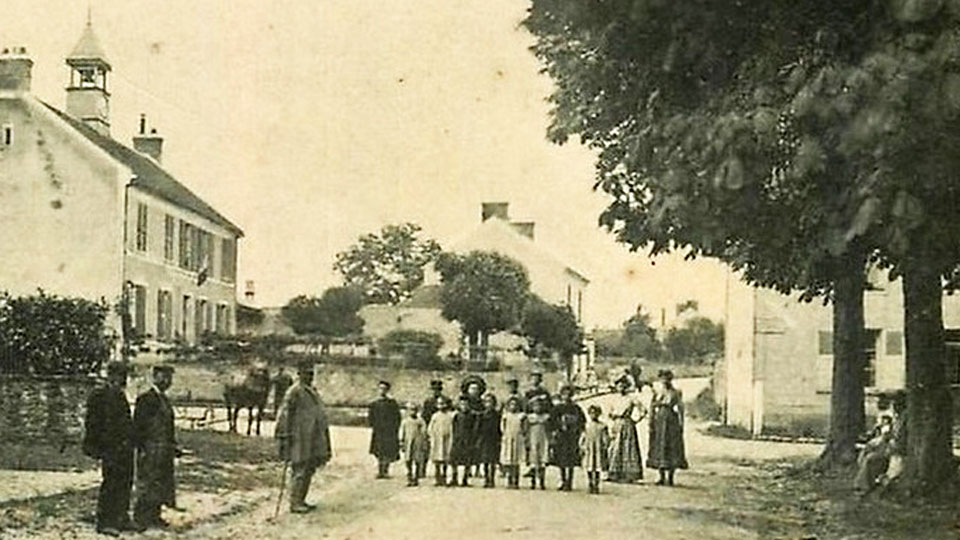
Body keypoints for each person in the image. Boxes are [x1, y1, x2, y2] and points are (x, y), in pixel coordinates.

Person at [83, 362, 134, 536]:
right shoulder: (99, 395)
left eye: (123, 376)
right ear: (111, 375)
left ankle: (122, 517)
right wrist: (95, 445)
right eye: (119, 376)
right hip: (110, 446)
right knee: (111, 482)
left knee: (125, 481)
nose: (121, 379)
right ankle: (105, 521)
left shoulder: (119, 395)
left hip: (124, 446)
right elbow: (92, 423)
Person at [276, 361, 332, 513]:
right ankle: (295, 503)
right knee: (299, 469)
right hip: (299, 437)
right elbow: (284, 414)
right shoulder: (294, 391)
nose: (310, 376)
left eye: (311, 373)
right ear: (299, 374)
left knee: (309, 469)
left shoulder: (311, 390)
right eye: (307, 373)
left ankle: (302, 500)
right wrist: (285, 434)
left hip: (313, 436)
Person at [132, 365, 180, 530]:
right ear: (155, 377)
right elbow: (138, 426)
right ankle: (141, 517)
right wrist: (142, 448)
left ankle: (155, 515)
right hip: (150, 447)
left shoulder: (164, 400)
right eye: (163, 377)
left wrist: (173, 445)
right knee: (147, 481)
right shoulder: (146, 399)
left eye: (169, 378)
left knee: (161, 482)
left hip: (164, 448)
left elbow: (168, 427)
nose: (166, 381)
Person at [648, 370, 688, 486]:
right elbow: (651, 407)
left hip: (671, 421)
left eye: (667, 379)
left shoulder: (676, 392)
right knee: (659, 445)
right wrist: (651, 421)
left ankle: (670, 477)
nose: (665, 381)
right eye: (662, 379)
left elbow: (680, 408)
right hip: (659, 421)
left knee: (671, 447)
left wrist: (681, 424)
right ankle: (661, 476)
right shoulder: (658, 393)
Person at [607, 373, 646, 483]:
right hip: (617, 423)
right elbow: (609, 412)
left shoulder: (631, 398)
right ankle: (614, 473)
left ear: (627, 386)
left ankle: (629, 474)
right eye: (619, 386)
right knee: (614, 448)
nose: (621, 388)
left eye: (623, 386)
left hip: (627, 424)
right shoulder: (613, 399)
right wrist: (612, 417)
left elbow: (643, 410)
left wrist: (635, 420)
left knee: (628, 448)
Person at [550, 384, 586, 491]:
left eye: (569, 394)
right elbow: (552, 421)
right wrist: (556, 428)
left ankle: (570, 481)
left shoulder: (576, 408)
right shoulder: (557, 408)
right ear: (561, 395)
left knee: (571, 459)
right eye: (564, 394)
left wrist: (576, 429)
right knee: (561, 459)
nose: (567, 396)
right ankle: (563, 480)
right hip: (561, 435)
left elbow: (581, 421)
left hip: (572, 436)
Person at [368, 381, 401, 479]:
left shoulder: (392, 403)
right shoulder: (374, 404)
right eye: (380, 388)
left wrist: (394, 429)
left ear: (387, 390)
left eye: (384, 389)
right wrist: (374, 426)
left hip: (388, 431)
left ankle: (385, 470)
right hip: (378, 431)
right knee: (378, 451)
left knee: (387, 451)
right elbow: (371, 417)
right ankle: (380, 470)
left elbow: (397, 417)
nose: (382, 391)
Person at [580, 404, 611, 495]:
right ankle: (590, 483)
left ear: (599, 414)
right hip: (589, 449)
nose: (593, 415)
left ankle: (596, 484)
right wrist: (582, 446)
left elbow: (605, 438)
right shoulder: (587, 426)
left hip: (598, 449)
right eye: (591, 413)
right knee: (589, 467)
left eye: (595, 413)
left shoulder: (602, 426)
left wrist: (605, 445)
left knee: (597, 467)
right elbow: (583, 437)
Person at [499, 396, 527, 489]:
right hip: (508, 438)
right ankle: (509, 480)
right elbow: (502, 427)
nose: (513, 406)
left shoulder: (521, 416)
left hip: (518, 439)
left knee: (516, 461)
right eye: (511, 404)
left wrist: (522, 434)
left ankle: (516, 481)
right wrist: (505, 435)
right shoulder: (506, 415)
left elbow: (525, 428)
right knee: (508, 460)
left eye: (515, 404)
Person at [399, 402, 429, 487]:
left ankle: (416, 477)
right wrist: (401, 442)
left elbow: (424, 432)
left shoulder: (420, 421)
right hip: (408, 442)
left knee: (417, 460)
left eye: (415, 410)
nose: (413, 412)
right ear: (408, 411)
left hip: (417, 443)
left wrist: (424, 442)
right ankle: (409, 476)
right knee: (408, 460)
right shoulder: (405, 421)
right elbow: (402, 431)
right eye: (411, 410)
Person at [449, 396, 477, 487]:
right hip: (458, 439)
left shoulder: (472, 415)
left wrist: (473, 439)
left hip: (468, 440)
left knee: (467, 460)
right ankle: (454, 478)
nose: (464, 406)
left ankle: (465, 479)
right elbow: (453, 427)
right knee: (454, 460)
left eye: (466, 404)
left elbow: (475, 428)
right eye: (462, 404)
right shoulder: (457, 416)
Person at [427, 396, 455, 486]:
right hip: (437, 440)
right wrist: (431, 437)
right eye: (439, 404)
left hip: (446, 440)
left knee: (446, 458)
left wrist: (451, 438)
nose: (441, 406)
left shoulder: (450, 416)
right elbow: (430, 428)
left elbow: (452, 428)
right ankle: (437, 478)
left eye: (443, 403)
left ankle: (445, 476)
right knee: (437, 459)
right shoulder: (435, 416)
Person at [476, 394, 502, 488]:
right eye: (486, 402)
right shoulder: (482, 415)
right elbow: (478, 428)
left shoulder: (497, 415)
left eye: (490, 402)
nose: (488, 404)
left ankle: (492, 479)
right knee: (485, 461)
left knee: (493, 461)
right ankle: (486, 478)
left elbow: (500, 428)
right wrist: (478, 439)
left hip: (494, 439)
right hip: (484, 439)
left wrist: (499, 439)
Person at [526, 395, 551, 490]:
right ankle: (532, 482)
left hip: (543, 440)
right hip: (533, 439)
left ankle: (542, 481)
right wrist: (527, 440)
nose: (537, 408)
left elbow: (548, 429)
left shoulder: (546, 417)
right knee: (533, 460)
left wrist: (550, 439)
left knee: (542, 461)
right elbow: (527, 430)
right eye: (535, 406)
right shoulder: (530, 418)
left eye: (539, 405)